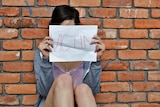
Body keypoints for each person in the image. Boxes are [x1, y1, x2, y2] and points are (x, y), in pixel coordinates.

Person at [34, 5, 105, 107]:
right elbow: (44, 91)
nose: (67, 36)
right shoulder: (42, 53)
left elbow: (92, 91)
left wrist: (96, 60)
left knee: (83, 89)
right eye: (63, 31)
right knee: (65, 80)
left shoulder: (86, 53)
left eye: (71, 30)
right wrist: (46, 59)